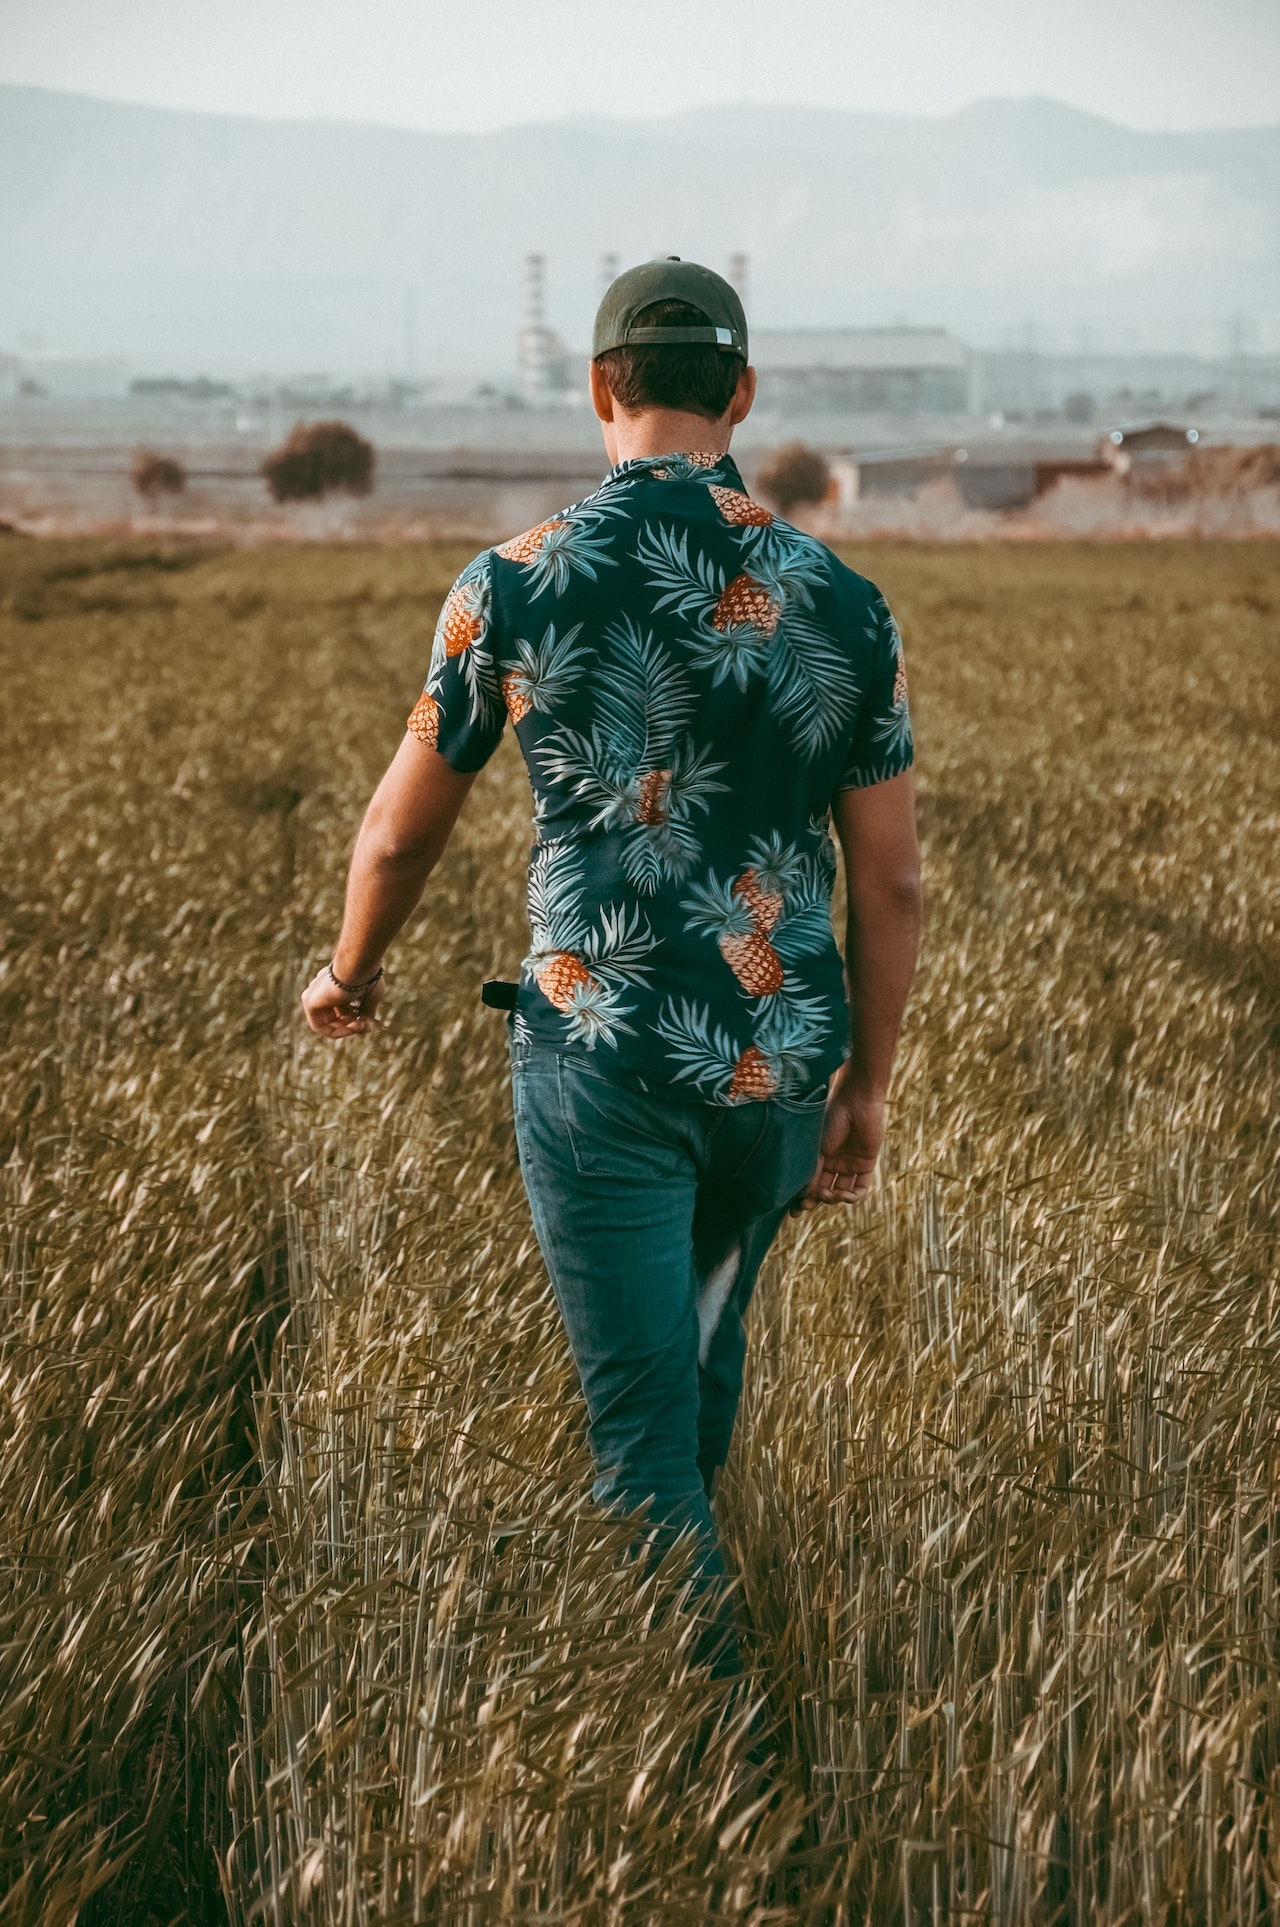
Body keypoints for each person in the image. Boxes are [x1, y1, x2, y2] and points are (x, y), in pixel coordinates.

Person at [302, 258, 921, 1670]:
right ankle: (730, 1693)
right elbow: (892, 879)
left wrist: (348, 971)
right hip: (776, 1059)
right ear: (743, 394)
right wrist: (867, 1083)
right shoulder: (845, 602)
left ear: (599, 391)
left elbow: (399, 839)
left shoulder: (511, 584)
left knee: (637, 1449)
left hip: (602, 1060)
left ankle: (723, 1781)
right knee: (697, 1368)